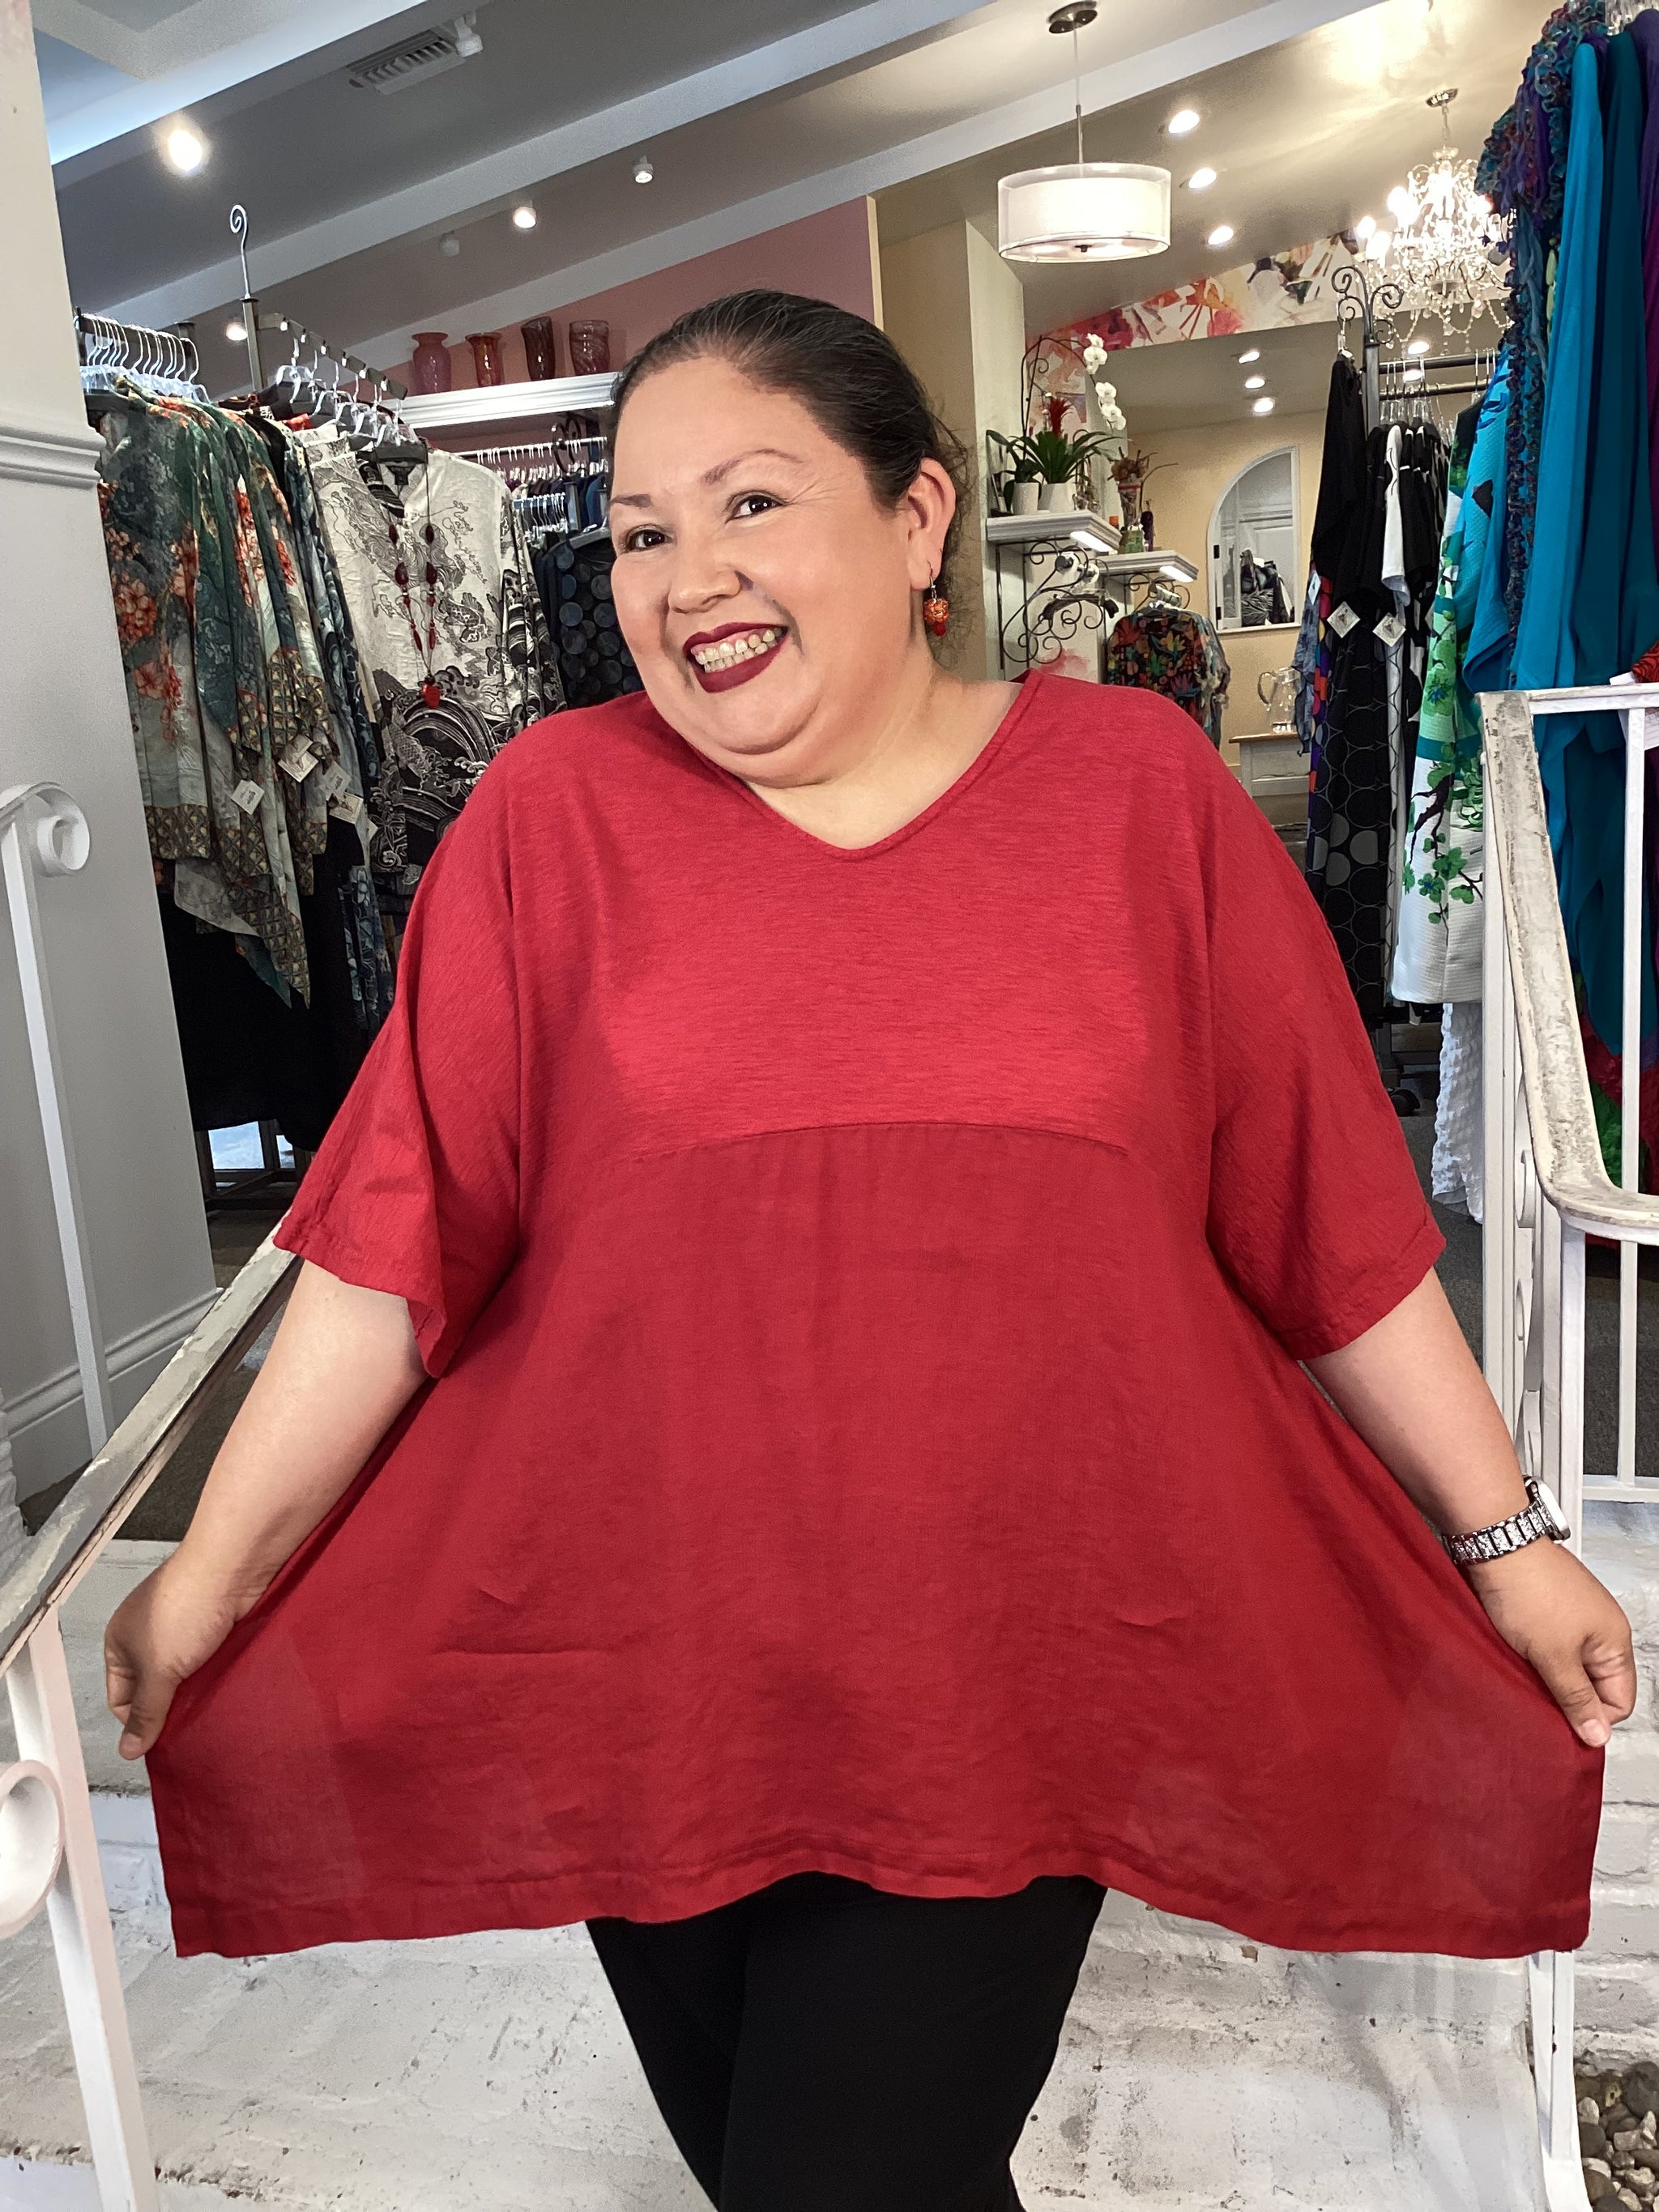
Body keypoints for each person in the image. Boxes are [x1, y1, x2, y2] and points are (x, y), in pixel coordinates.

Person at [106, 291, 1633, 2212]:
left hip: (1009, 1657)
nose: (688, 578)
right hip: (647, 1659)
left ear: (917, 519)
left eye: (750, 501)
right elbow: (393, 1252)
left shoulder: (1137, 797)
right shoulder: (547, 822)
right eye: (640, 531)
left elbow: (1324, 1223)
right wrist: (208, 1582)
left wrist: (1506, 1540)